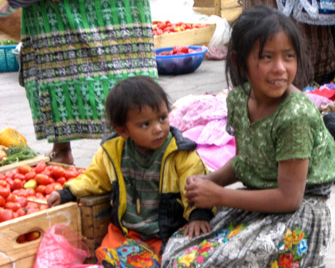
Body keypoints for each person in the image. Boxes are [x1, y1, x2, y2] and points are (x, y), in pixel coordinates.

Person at [161, 5, 335, 268]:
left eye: (288, 56)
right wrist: (209, 181)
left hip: (296, 216)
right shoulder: (239, 99)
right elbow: (248, 160)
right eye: (266, 57)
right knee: (177, 249)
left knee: (206, 263)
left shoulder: (295, 116)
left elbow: (289, 198)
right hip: (258, 202)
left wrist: (219, 196)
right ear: (238, 62)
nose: (279, 68)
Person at [47, 76, 214, 265]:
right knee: (111, 254)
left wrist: (199, 215)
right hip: (127, 232)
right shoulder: (112, 152)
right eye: (145, 124)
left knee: (183, 257)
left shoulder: (180, 153)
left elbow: (198, 186)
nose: (158, 128)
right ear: (123, 130)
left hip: (166, 232)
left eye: (162, 118)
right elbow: (94, 178)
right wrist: (67, 192)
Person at [3, 0, 158, 165]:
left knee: (120, 71)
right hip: (67, 7)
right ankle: (62, 150)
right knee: (55, 65)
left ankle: (136, 155)